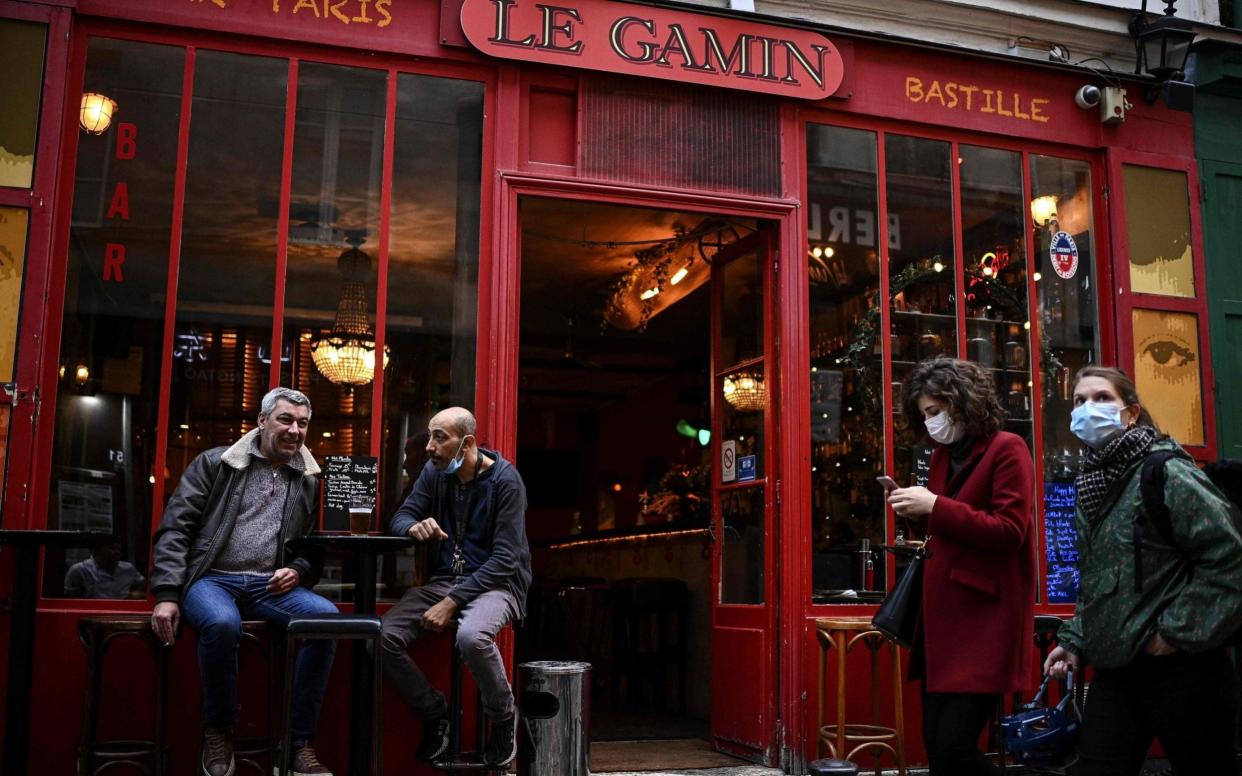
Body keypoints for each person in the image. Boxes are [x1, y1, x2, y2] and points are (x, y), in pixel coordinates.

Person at [1044, 366, 1242, 776]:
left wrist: (1173, 633)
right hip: (1116, 669)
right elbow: (1099, 576)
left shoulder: (1165, 472)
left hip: (1182, 670)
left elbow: (1229, 558)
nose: (1087, 409)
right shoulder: (1092, 483)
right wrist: (1075, 639)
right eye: (1079, 401)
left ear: (1131, 413)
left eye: (1102, 398)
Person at [149, 387, 339, 776]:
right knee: (221, 623)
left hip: (269, 586)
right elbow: (175, 530)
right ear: (262, 421)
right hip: (212, 580)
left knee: (328, 620)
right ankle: (218, 730)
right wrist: (167, 594)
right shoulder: (215, 463)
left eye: (302, 423)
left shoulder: (308, 478)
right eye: (285, 419)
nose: (295, 430)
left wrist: (299, 571)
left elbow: (314, 549)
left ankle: (298, 743)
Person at [886, 357, 1036, 776]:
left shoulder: (1008, 448)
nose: (931, 422)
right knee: (936, 745)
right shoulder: (940, 457)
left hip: (983, 619)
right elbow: (951, 521)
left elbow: (1009, 530)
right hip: (940, 622)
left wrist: (935, 506)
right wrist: (916, 511)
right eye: (924, 415)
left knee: (955, 747)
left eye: (935, 411)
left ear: (961, 401)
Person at [381, 407, 531, 767]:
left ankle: (503, 716)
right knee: (381, 637)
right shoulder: (434, 474)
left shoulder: (506, 482)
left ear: (466, 443)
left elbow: (505, 560)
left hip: (498, 584)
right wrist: (411, 528)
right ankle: (435, 712)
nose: (429, 446)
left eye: (439, 437)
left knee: (472, 636)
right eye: (430, 435)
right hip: (445, 581)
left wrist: (452, 601)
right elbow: (400, 515)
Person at [64, 540, 146, 598]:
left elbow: (143, 582)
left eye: (119, 549)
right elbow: (70, 599)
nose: (117, 552)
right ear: (97, 550)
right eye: (112, 548)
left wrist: (136, 593)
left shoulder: (128, 568)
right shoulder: (79, 570)